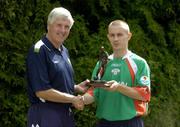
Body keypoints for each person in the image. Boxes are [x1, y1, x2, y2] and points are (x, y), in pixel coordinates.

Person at [26, 7, 89, 127]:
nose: (63, 30)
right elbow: (42, 91)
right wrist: (72, 99)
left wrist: (75, 88)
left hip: (65, 114)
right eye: (59, 25)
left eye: (67, 27)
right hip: (45, 115)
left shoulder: (64, 50)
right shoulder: (39, 50)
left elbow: (55, 82)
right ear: (49, 25)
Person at [82, 20, 151, 127]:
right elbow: (94, 92)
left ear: (129, 36)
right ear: (108, 37)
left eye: (119, 35)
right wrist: (80, 100)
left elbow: (144, 94)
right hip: (104, 123)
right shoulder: (102, 63)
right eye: (112, 35)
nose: (115, 39)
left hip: (131, 122)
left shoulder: (139, 63)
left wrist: (118, 87)